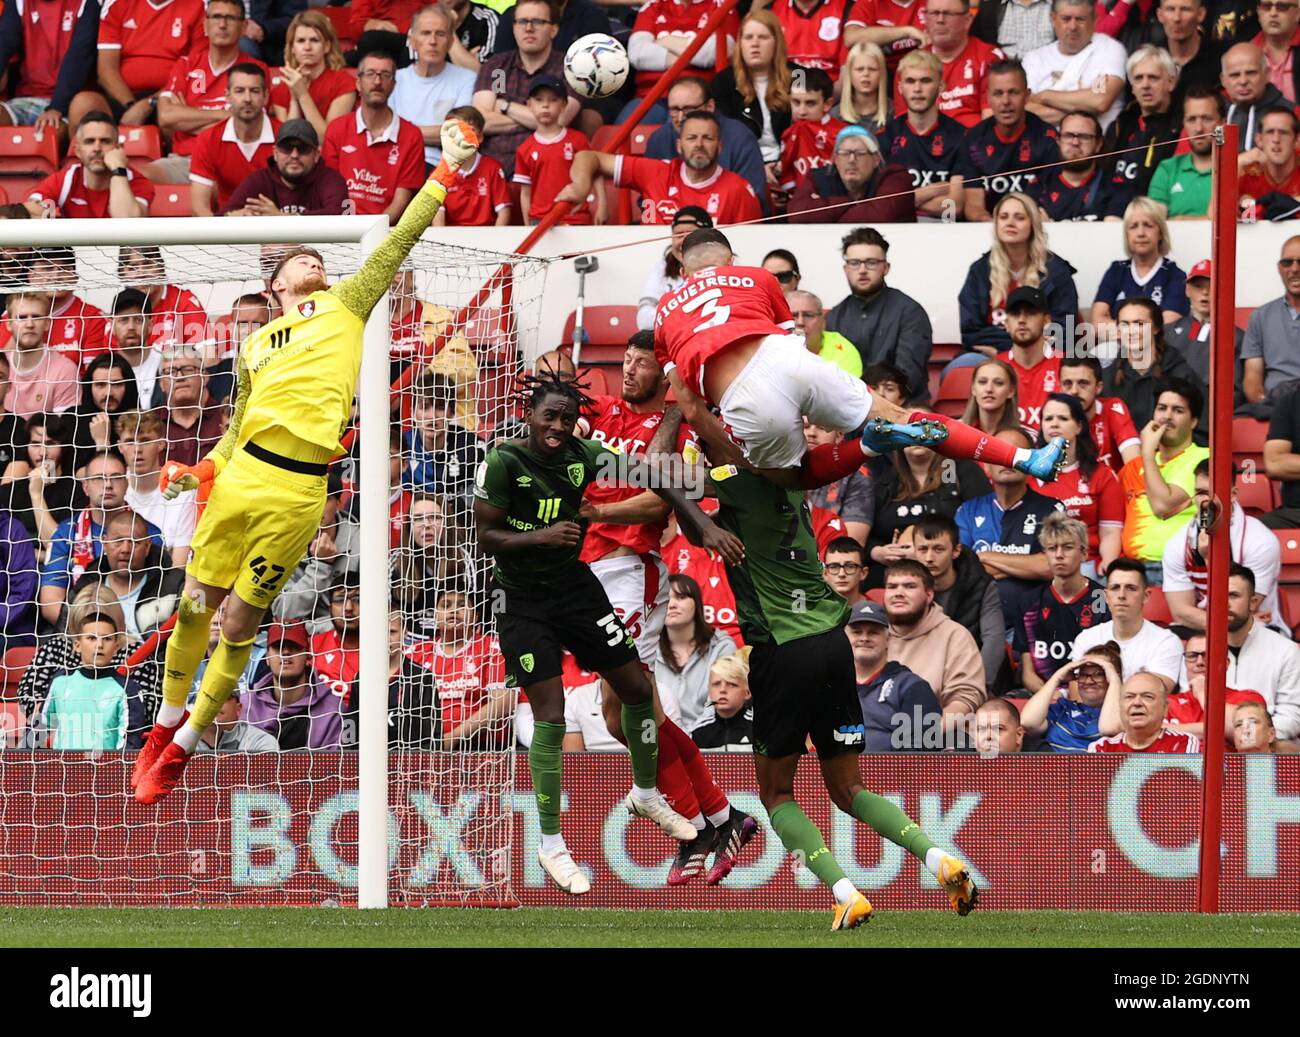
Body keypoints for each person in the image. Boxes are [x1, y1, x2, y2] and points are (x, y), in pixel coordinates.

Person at [130, 118, 482, 805]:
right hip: (241, 478)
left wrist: (447, 171)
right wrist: (197, 472)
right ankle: (162, 727)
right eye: (301, 259)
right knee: (196, 603)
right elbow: (233, 433)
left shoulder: (347, 305)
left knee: (239, 622)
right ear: (278, 279)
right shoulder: (257, 345)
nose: (314, 261)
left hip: (298, 492)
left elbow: (398, 237)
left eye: (318, 256)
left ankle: (184, 744)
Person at [474, 368, 743, 893]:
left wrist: (703, 522)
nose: (559, 425)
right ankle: (552, 844)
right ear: (530, 416)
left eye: (568, 417)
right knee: (550, 716)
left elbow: (656, 476)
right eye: (550, 415)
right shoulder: (504, 460)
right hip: (522, 601)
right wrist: (547, 536)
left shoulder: (583, 456)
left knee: (637, 690)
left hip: (577, 589)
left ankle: (647, 792)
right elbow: (486, 535)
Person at [698, 442, 978, 926]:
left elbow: (667, 483)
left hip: (781, 650)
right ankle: (939, 859)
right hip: (833, 644)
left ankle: (846, 893)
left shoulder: (734, 483)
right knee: (848, 790)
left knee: (776, 794)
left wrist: (683, 402)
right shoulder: (795, 485)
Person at [652, 228, 1066, 498]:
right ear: (729, 258)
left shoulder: (664, 311)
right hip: (790, 358)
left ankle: (867, 445)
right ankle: (1028, 459)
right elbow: (790, 338)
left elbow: (689, 407)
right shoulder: (757, 277)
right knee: (904, 416)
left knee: (791, 480)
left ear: (683, 266)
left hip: (743, 392)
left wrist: (742, 456)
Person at [560, 111, 763, 225]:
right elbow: (588, 157)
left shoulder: (739, 191)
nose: (699, 144)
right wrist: (580, 186)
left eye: (707, 138)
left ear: (720, 147)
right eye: (691, 138)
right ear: (678, 145)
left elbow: (747, 249)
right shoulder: (656, 172)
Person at [38, 451, 162, 628]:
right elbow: (50, 603)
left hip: (138, 632)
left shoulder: (149, 533)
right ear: (85, 487)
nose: (108, 485)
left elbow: (162, 595)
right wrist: (95, 634)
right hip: (81, 636)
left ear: (127, 484)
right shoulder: (66, 533)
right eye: (99, 478)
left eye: (116, 477)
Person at [1164, 459, 1284, 633]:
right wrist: (1224, 622)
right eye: (1199, 492)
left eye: (1212, 493)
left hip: (1256, 631)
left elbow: (1242, 609)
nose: (1205, 501)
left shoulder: (1261, 541)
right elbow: (1180, 612)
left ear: (1233, 494)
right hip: (1202, 629)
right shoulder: (1177, 544)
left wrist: (1208, 560)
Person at [956, 427, 1062, 620]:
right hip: (977, 624)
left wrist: (984, 556)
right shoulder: (967, 511)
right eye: (999, 453)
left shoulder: (1052, 510)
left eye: (1015, 453)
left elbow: (1050, 566)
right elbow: (961, 570)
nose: (1007, 460)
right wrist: (1026, 566)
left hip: (1035, 622)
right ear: (986, 465)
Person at [155, 0, 269, 178]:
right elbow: (166, 117)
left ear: (244, 26)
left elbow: (247, 126)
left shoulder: (256, 69)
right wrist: (225, 116)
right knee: (137, 177)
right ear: (205, 25)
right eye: (216, 17)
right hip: (185, 161)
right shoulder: (185, 65)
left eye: (230, 18)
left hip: (233, 162)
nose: (222, 25)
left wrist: (187, 117)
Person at [957, 193, 1080, 356]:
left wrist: (1020, 351)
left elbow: (1065, 331)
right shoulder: (979, 271)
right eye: (1003, 217)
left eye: (1019, 217)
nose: (1010, 223)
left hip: (1044, 356)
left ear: (1033, 225)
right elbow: (971, 332)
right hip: (990, 357)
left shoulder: (1056, 272)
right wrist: (1008, 351)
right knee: (963, 365)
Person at [472, 0, 580, 180]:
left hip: (544, 171)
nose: (528, 28)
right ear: (514, 28)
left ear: (553, 30)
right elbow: (479, 122)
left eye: (538, 22)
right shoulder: (498, 67)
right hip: (493, 172)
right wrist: (540, 118)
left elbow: (559, 120)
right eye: (522, 22)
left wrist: (504, 105)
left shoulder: (570, 69)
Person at [825, 228, 932, 399]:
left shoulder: (910, 312)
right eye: (854, 263)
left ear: (886, 267)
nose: (862, 270)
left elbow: (908, 377)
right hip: (848, 409)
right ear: (845, 268)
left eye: (871, 262)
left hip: (901, 410)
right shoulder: (835, 316)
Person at [323, 50, 427, 225]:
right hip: (339, 229)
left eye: (385, 75)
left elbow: (401, 201)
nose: (377, 81)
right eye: (370, 74)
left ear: (394, 84)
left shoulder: (411, 135)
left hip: (386, 233)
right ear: (358, 83)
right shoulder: (337, 128)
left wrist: (373, 234)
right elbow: (329, 191)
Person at [1118, 377, 1209, 575]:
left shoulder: (1204, 459)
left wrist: (1148, 451)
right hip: (1129, 571)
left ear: (1193, 422)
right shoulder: (1134, 468)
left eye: (1178, 410)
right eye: (1162, 408)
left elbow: (1163, 506)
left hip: (1173, 569)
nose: (1167, 416)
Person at [1011, 512, 1109, 691]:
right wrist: (1048, 696)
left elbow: (1107, 668)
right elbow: (1028, 674)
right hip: (1040, 693)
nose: (1059, 555)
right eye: (1052, 548)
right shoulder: (1029, 601)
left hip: (1090, 694)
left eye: (1068, 547)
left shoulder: (1102, 599)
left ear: (1084, 553)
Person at [910, 513, 1006, 693]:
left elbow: (993, 641)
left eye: (938, 549)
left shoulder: (982, 585)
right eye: (923, 549)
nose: (929, 558)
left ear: (956, 551)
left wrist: (976, 688)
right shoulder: (906, 587)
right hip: (923, 677)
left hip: (972, 675)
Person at [645, 78, 770, 213]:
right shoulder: (658, 139)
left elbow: (753, 201)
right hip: (668, 226)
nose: (680, 118)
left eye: (689, 109)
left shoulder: (740, 137)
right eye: (674, 109)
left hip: (728, 227)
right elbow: (647, 200)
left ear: (710, 106)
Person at [1032, 394, 1124, 576]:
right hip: (1038, 565)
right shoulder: (1028, 475)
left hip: (1087, 565)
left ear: (1079, 426)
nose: (1054, 424)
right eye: (1048, 418)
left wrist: (1108, 563)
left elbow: (1110, 532)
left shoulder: (1102, 475)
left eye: (1063, 418)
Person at [884, 557, 986, 720]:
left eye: (909, 586)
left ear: (929, 594)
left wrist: (923, 734)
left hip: (932, 735)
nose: (898, 593)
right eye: (892, 587)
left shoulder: (955, 636)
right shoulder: (872, 634)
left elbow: (965, 699)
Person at [958, 61, 1060, 221]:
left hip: (1034, 228)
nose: (1006, 101)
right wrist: (996, 228)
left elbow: (1050, 203)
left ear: (1027, 96)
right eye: (998, 93)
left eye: (1013, 92)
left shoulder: (1047, 138)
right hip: (988, 228)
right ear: (988, 98)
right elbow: (973, 206)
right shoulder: (973, 139)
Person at [412, 588, 510, 749]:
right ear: (435, 615)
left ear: (475, 616)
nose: (454, 611)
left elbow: (504, 703)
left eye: (462, 605)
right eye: (446, 605)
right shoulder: (415, 653)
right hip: (422, 746)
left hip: (483, 747)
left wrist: (451, 739)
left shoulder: (493, 648)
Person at [1071, 556, 1182, 690]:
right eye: (1115, 588)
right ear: (1106, 596)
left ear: (1146, 596)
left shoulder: (1166, 642)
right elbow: (1077, 695)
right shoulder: (1086, 639)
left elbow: (1152, 695)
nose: (1122, 595)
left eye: (1131, 588)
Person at [71, 509, 183, 639]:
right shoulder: (86, 584)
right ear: (105, 543)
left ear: (147, 547)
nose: (125, 549)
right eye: (118, 541)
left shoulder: (175, 584)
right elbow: (65, 637)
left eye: (134, 542)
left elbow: (192, 627)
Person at [846, 598, 942, 751]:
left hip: (886, 773)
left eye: (873, 632)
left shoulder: (912, 687)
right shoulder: (829, 687)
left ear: (888, 639)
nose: (864, 638)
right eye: (857, 632)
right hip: (829, 772)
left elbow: (918, 755)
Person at [1218, 562, 1300, 740]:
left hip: (1266, 751)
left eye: (1233, 595)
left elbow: (1292, 716)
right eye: (1218, 595)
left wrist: (1249, 736)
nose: (1225, 602)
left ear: (1253, 602)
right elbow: (1190, 708)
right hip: (1210, 749)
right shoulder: (1199, 651)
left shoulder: (1285, 650)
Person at [867, 443, 991, 561]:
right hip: (895, 570)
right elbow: (867, 534)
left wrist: (926, 552)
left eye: (924, 428)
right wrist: (876, 552)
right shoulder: (887, 479)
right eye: (909, 430)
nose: (916, 436)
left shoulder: (959, 470)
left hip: (954, 565)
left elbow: (986, 524)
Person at [40, 610, 142, 750]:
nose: (99, 645)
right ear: (77, 645)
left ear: (116, 647)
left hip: (107, 769)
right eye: (91, 638)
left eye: (107, 639)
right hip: (62, 769)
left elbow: (130, 743)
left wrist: (114, 771)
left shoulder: (128, 689)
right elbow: (38, 729)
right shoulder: (60, 681)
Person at [883, 49, 967, 220]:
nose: (917, 89)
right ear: (900, 88)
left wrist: (904, 201)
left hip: (945, 231)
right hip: (898, 230)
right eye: (910, 81)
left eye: (926, 81)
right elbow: (882, 205)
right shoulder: (885, 136)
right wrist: (930, 191)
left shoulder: (961, 136)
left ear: (941, 86)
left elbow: (954, 209)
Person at [93, 0, 207, 124]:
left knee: (170, 115)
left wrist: (149, 103)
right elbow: (106, 69)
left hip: (171, 96)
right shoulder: (117, 3)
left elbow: (197, 69)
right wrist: (132, 106)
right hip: (122, 96)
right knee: (83, 103)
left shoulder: (199, 5)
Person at [1102, 45, 1183, 216]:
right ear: (1132, 87)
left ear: (1171, 82)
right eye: (1138, 78)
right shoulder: (1119, 125)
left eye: (1153, 78)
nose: (1145, 85)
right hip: (1110, 216)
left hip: (1155, 218)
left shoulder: (1181, 125)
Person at [393, 5, 478, 168]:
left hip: (440, 169)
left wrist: (402, 131)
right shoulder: (395, 79)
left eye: (440, 34)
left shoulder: (467, 79)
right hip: (393, 162)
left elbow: (459, 133)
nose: (433, 41)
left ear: (451, 42)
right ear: (412, 41)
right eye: (425, 33)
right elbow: (380, 129)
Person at [188, 64, 279, 216]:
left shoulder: (284, 137)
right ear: (227, 95)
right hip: (228, 229)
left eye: (255, 91)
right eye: (239, 91)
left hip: (279, 229)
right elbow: (199, 208)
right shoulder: (209, 139)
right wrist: (225, 225)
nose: (247, 99)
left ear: (266, 96)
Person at [708, 9, 792, 170]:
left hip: (790, 162)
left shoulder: (799, 75)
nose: (755, 43)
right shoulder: (723, 81)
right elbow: (728, 137)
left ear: (777, 42)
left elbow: (803, 125)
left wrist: (784, 162)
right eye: (748, 37)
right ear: (740, 44)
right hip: (744, 164)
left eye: (763, 37)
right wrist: (757, 168)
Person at [1021, 0, 1127, 129]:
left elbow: (1100, 101)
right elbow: (1023, 111)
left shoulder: (1110, 50)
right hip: (1046, 146)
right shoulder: (1034, 59)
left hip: (1101, 146)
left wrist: (1044, 96)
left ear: (1095, 19)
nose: (1073, 26)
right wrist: (1085, 106)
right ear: (1053, 18)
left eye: (1080, 19)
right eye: (1066, 19)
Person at [0, 0, 102, 134]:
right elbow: (4, 47)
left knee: (49, 134)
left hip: (70, 104)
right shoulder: (19, 2)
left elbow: (79, 58)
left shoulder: (88, 3)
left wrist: (57, 107)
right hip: (27, 98)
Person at [1102, 300, 1204, 432]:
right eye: (1125, 324)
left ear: (1156, 328)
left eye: (1139, 324)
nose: (1131, 331)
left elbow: (1202, 429)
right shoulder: (1107, 378)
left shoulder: (1182, 375)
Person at [656, 573, 740, 732]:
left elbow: (716, 703)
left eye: (681, 597)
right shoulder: (647, 651)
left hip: (709, 742)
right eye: (666, 599)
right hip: (662, 742)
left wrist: (690, 738)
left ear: (697, 604)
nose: (672, 605)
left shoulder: (721, 647)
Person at [26, 112, 152, 219]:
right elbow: (31, 212)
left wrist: (118, 170)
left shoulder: (137, 182)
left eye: (105, 141)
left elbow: (127, 222)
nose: (97, 148)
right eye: (89, 141)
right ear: (78, 151)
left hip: (119, 248)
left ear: (119, 148)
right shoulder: (66, 179)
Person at [1091, 198, 1189, 335]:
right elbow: (1097, 323)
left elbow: (1167, 326)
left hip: (1159, 351)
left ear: (1160, 232)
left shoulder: (1175, 275)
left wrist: (1122, 329)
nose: (1141, 233)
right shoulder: (1116, 270)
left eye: (1148, 225)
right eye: (1133, 226)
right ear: (1127, 234)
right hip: (1118, 349)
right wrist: (1141, 330)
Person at [899, 0, 1003, 128]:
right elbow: (904, 127)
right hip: (926, 145)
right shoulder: (910, 65)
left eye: (948, 14)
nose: (940, 20)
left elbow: (992, 127)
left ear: (968, 20)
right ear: (925, 18)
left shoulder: (989, 58)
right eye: (934, 13)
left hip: (974, 144)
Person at [513, 74, 600, 225]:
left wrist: (602, 205)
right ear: (529, 105)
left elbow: (595, 173)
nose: (545, 105)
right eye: (539, 99)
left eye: (553, 100)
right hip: (539, 219)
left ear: (564, 105)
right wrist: (527, 224)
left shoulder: (578, 140)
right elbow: (525, 193)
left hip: (575, 217)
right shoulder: (525, 148)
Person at [787, 122, 916, 222]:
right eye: (845, 153)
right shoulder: (818, 178)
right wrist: (850, 203)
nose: (851, 160)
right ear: (836, 159)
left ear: (876, 159)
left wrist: (824, 214)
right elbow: (796, 215)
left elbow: (878, 217)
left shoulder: (894, 178)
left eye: (860, 154)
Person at [626, 0, 736, 116]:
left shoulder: (723, 5)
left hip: (698, 98)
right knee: (623, 131)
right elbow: (637, 53)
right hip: (650, 96)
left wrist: (666, 41)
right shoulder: (654, 5)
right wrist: (693, 57)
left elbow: (710, 54)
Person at [117, 409, 198, 567]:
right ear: (120, 446)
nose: (137, 449)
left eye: (145, 440)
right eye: (129, 441)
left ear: (161, 444)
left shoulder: (183, 491)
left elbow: (178, 567)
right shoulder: (113, 488)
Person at [242, 621, 342, 749]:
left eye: (293, 646)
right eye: (278, 646)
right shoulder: (246, 705)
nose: (286, 652)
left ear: (308, 656)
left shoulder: (333, 709)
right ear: (267, 657)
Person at [220, 118, 351, 216]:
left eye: (303, 148)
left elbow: (341, 217)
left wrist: (281, 219)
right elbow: (219, 219)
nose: (294, 155)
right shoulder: (259, 180)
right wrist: (234, 216)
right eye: (287, 148)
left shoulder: (332, 180)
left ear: (316, 154)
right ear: (275, 153)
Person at [10, 250, 108, 373]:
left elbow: (94, 379)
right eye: (48, 268)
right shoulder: (13, 315)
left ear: (75, 277)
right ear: (31, 276)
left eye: (63, 268)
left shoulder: (92, 317)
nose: (56, 276)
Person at [269, 10, 357, 142]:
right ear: (292, 48)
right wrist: (294, 99)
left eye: (314, 40)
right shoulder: (281, 90)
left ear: (326, 46)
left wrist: (303, 94)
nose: (307, 47)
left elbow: (326, 139)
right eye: (300, 41)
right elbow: (289, 141)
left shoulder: (344, 83)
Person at [1019, 644, 1123, 751]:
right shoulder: (1063, 708)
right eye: (1083, 674)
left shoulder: (1125, 713)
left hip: (1096, 767)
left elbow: (1110, 729)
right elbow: (1027, 722)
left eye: (1099, 673)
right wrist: (1057, 677)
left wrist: (1115, 679)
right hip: (1055, 766)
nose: (1088, 681)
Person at [1164, 259, 1244, 390]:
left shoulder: (1236, 337)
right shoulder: (1168, 332)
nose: (1205, 292)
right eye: (1198, 286)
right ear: (1187, 290)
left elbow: (1236, 389)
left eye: (1212, 285)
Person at [1, 411, 76, 549]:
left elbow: (58, 547)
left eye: (50, 443)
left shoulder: (76, 491)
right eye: (35, 444)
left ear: (63, 448)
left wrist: (36, 494)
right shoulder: (9, 492)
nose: (42, 453)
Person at [1147, 85, 1222, 218]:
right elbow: (1155, 223)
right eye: (1191, 120)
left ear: (1223, 123)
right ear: (1184, 124)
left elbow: (1248, 221)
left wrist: (1180, 219)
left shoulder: (1240, 168)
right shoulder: (1167, 168)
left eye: (1207, 119)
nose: (1198, 128)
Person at [3, 292, 80, 420]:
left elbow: (63, 432)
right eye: (22, 317)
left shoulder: (64, 370)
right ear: (9, 324)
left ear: (47, 324)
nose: (29, 324)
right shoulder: (2, 368)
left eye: (36, 317)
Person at [1243, 235, 1300, 407]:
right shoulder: (1260, 316)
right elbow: (1252, 378)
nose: (1295, 269)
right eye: (1287, 263)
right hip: (1277, 404)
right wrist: (1267, 406)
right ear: (1279, 268)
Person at [432, 105, 512, 226]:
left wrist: (495, 241)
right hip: (451, 239)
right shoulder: (440, 173)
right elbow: (438, 215)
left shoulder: (493, 168)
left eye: (470, 131)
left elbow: (504, 212)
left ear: (479, 137)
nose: (462, 136)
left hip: (486, 237)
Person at [774, 68, 849, 199]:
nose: (801, 111)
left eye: (810, 103)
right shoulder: (788, 134)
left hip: (835, 205)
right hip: (799, 204)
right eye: (796, 102)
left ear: (827, 104)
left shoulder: (843, 135)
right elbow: (787, 175)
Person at [1058, 356, 1140, 471]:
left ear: (1098, 387)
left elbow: (1134, 461)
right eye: (1067, 383)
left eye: (1083, 384)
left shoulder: (1113, 409)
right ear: (1060, 388)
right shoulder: (1052, 418)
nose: (1074, 391)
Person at [996, 285, 1058, 434]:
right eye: (1015, 314)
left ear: (1046, 321)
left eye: (1030, 313)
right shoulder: (995, 367)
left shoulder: (1066, 365)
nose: (1022, 320)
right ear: (1006, 323)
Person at [1087, 672, 1201, 753]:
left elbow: (1180, 786)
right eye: (1129, 697)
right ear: (1120, 707)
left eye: (1147, 697)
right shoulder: (1102, 747)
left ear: (1165, 708)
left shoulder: (1183, 742)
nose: (1137, 703)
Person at [636, 207, 710, 331]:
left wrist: (670, 314)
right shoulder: (662, 268)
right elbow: (643, 320)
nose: (684, 241)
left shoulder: (726, 264)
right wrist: (688, 315)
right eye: (678, 235)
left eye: (691, 234)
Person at [804, 421, 873, 542]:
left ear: (839, 435)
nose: (811, 433)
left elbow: (850, 546)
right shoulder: (776, 468)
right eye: (805, 427)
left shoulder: (856, 474)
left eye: (821, 427)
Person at [156, 352, 224, 468]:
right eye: (170, 372)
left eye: (188, 369)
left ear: (205, 376)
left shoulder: (225, 417)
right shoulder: (152, 423)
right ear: (161, 384)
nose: (179, 377)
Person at [1238, 107, 1300, 220]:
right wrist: (1237, 163)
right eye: (1270, 132)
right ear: (1259, 140)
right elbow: (1214, 217)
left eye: (1283, 132)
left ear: (1297, 140)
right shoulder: (1245, 174)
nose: (1276, 139)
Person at [1223, 42, 1287, 152]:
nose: (1243, 81)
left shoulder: (1291, 113)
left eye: (1251, 73)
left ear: (1267, 74)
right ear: (1223, 80)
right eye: (1235, 75)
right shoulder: (1211, 112)